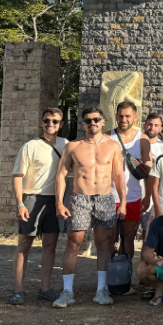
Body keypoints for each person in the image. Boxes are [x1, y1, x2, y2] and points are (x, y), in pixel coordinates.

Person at [52, 107, 127, 308]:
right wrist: (59, 203)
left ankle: (101, 289)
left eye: (96, 119)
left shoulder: (112, 146)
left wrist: (123, 202)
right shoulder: (73, 146)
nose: (92, 123)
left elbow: (119, 175)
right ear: (83, 123)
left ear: (102, 122)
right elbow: (61, 175)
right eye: (88, 120)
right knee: (73, 243)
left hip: (104, 198)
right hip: (80, 198)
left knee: (104, 245)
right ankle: (67, 291)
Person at [7, 108, 68, 305]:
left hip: (54, 200)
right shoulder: (30, 146)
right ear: (41, 123)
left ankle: (45, 288)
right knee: (24, 245)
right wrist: (20, 203)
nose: (51, 124)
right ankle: (18, 290)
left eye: (55, 121)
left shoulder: (66, 145)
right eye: (47, 121)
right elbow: (18, 176)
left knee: (50, 246)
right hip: (32, 198)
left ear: (61, 124)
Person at [110, 101, 151, 259]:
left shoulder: (142, 139)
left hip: (133, 196)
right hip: (109, 196)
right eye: (121, 116)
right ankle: (108, 273)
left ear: (135, 117)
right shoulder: (107, 137)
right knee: (109, 239)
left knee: (128, 238)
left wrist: (147, 196)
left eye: (128, 116)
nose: (124, 119)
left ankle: (125, 272)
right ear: (116, 116)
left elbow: (148, 171)